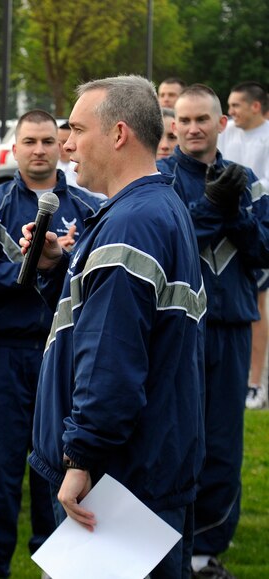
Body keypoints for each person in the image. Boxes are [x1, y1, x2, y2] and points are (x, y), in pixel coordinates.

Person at [27, 75, 206, 579]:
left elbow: (112, 355)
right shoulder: (153, 208)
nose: (66, 145)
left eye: (77, 130)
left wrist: (80, 456)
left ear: (119, 133)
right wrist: (53, 267)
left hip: (119, 478)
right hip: (144, 467)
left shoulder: (132, 222)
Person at [0, 110, 101, 578]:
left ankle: (57, 562)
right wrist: (28, 272)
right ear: (13, 148)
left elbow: (96, 278)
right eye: (29, 141)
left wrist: (63, 260)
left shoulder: (88, 205)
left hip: (61, 355)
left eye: (47, 141)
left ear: (60, 146)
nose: (39, 149)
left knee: (58, 464)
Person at [158, 83, 269, 578]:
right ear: (173, 125)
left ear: (222, 123)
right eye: (184, 120)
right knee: (170, 437)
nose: (193, 128)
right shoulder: (157, 179)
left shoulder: (249, 182)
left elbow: (265, 252)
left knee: (222, 442)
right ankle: (163, 538)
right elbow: (169, 241)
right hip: (174, 329)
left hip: (228, 326)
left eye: (203, 119)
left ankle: (205, 552)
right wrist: (211, 210)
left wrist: (237, 216)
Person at [217, 82, 269, 410]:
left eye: (236, 105)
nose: (231, 111)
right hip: (222, 227)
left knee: (257, 307)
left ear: (255, 106)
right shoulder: (227, 134)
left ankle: (254, 383)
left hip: (254, 229)